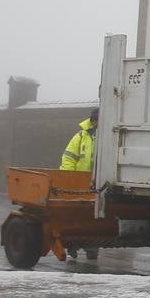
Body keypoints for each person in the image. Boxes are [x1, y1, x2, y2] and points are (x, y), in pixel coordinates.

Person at [59, 108, 100, 261]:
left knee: (94, 218)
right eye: (96, 120)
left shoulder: (109, 135)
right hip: (79, 183)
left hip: (97, 184)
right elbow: (69, 158)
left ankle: (92, 247)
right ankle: (72, 246)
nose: (98, 123)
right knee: (75, 216)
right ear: (92, 120)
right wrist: (69, 178)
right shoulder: (81, 136)